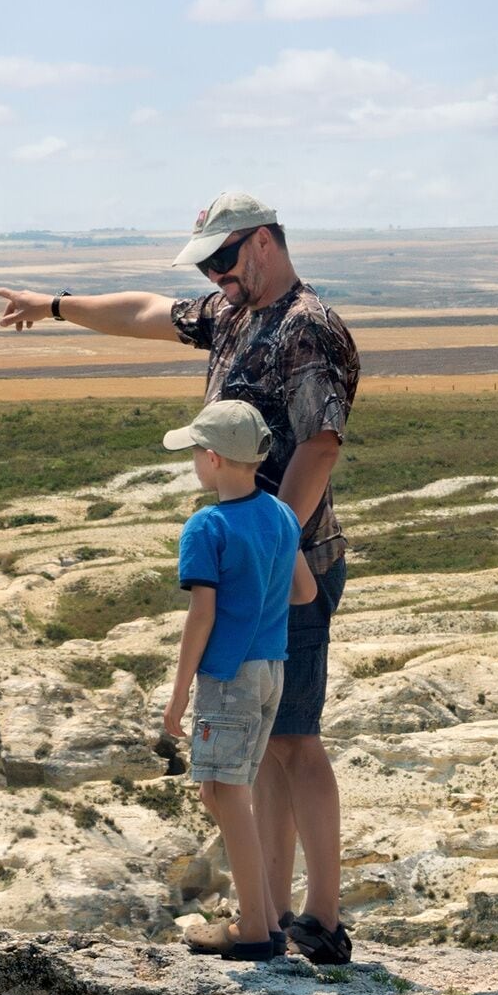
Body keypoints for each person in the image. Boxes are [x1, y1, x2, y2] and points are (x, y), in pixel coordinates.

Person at [0, 190, 359, 963]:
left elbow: (321, 446)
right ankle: (278, 914)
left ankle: (321, 918)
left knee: (297, 743)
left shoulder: (306, 329)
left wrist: (272, 545)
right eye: (209, 266)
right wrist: (55, 306)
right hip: (274, 559)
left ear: (261, 244)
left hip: (293, 568)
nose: (216, 278)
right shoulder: (234, 312)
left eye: (224, 260)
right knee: (272, 745)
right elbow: (150, 313)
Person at [158, 399, 298, 959]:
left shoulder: (207, 526)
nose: (193, 460)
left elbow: (203, 615)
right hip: (272, 667)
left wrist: (178, 693)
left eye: (195, 451)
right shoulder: (282, 516)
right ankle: (264, 917)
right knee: (224, 792)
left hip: (228, 674)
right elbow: (301, 590)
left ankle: (254, 931)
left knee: (223, 792)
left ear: (212, 459)